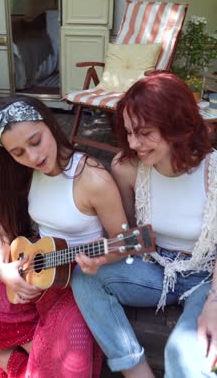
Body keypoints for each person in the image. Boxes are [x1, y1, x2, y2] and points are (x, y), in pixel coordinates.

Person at [0, 95, 128, 378]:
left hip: (78, 283)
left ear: (50, 125)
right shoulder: (24, 173)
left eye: (36, 141)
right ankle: (16, 346)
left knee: (70, 370)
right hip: (31, 270)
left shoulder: (92, 178)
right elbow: (5, 226)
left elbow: (123, 244)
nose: (33, 157)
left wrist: (100, 260)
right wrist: (2, 269)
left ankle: (10, 349)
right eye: (18, 152)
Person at [71, 72, 217, 378]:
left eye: (144, 133)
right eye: (128, 133)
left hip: (207, 278)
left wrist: (214, 305)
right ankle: (134, 369)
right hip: (157, 268)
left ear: (177, 126)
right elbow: (131, 239)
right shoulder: (127, 169)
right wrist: (105, 256)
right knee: (86, 279)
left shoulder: (212, 171)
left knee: (185, 358)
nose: (134, 143)